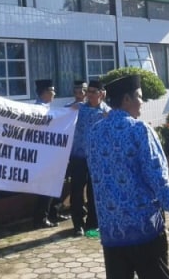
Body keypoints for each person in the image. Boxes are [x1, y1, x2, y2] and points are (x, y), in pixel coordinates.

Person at [87, 75, 169, 279]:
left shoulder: (94, 132)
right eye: (139, 97)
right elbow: (158, 178)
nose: (142, 102)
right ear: (126, 99)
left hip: (111, 232)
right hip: (143, 230)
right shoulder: (139, 130)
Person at [69, 80, 109, 236]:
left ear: (101, 94)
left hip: (97, 158)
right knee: (77, 190)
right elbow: (58, 116)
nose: (89, 94)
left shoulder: (107, 112)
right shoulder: (78, 109)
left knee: (95, 191)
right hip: (78, 157)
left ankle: (92, 224)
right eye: (88, 91)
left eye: (93, 92)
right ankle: (77, 224)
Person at [32, 79, 69, 228]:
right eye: (52, 91)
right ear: (45, 93)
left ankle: (53, 212)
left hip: (52, 155)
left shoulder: (47, 108)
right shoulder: (38, 110)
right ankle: (41, 217)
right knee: (45, 187)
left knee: (55, 184)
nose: (54, 93)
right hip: (44, 155)